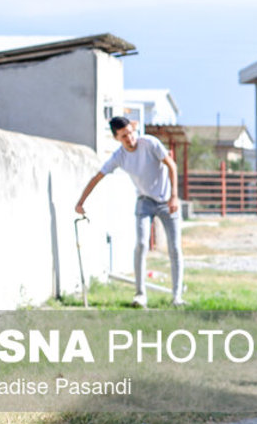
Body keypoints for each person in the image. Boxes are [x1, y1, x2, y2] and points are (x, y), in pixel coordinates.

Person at [75, 116, 184, 307]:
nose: (130, 138)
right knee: (141, 244)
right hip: (144, 201)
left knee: (174, 248)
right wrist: (81, 202)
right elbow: (97, 177)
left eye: (131, 133)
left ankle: (177, 297)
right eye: (124, 136)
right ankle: (140, 295)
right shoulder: (119, 156)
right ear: (117, 138)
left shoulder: (150, 143)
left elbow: (172, 166)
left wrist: (174, 196)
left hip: (167, 200)